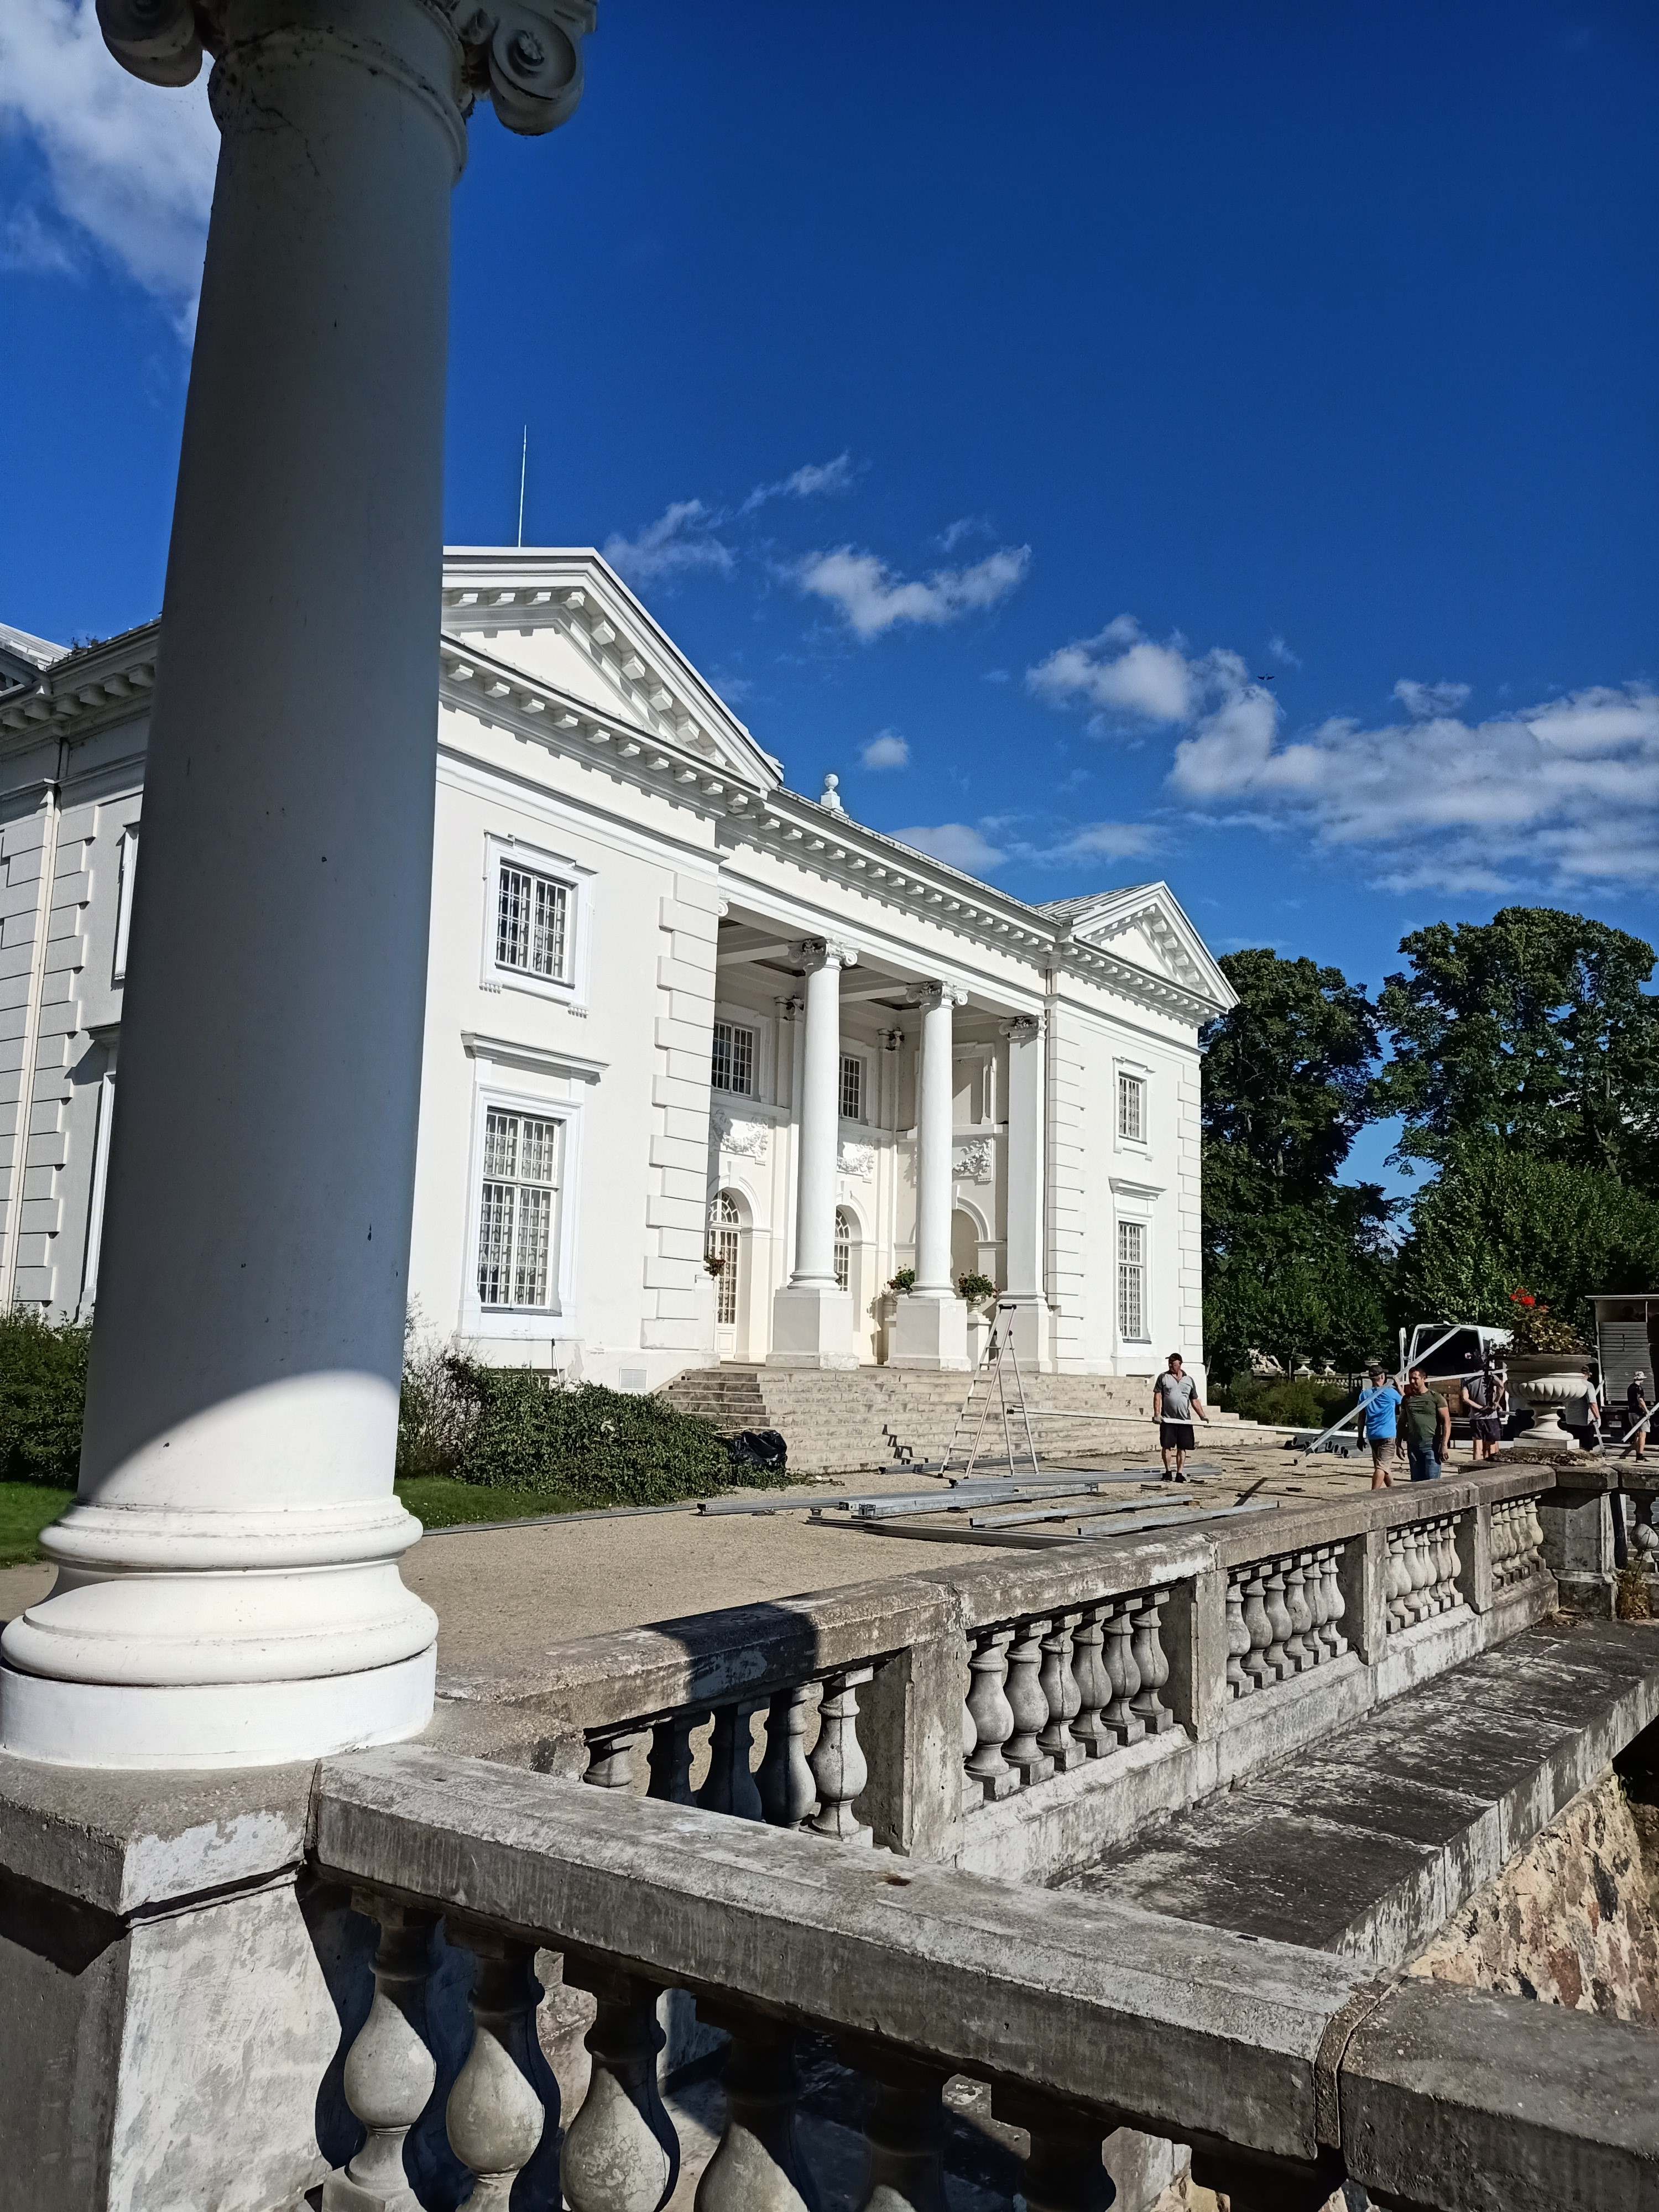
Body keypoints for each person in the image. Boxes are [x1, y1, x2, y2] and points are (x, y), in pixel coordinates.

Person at [1152, 1352, 1208, 1481]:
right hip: (1168, 1419)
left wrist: (1203, 1416)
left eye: (1174, 1363)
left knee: (1182, 1447)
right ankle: (1168, 1472)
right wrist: (1157, 1414)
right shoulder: (1163, 1377)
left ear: (1180, 1364)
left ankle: (1180, 1473)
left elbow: (1194, 1401)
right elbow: (1158, 1396)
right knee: (1167, 1446)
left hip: (1184, 1420)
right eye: (1170, 1363)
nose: (1171, 1365)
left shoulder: (1189, 1380)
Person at [1357, 1363, 1404, 1490]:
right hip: (1388, 1435)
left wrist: (1360, 1437)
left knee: (1383, 1466)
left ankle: (1394, 1491)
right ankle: (1374, 1494)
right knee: (1381, 1467)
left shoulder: (1364, 1395)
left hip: (1373, 1435)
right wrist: (1399, 1386)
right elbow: (1406, 1402)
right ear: (1382, 1377)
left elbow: (1361, 1418)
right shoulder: (1391, 1393)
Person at [1400, 1366, 1451, 1482]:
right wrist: (1398, 1444)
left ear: (1424, 1379)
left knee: (1432, 1484)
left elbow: (1447, 1422)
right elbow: (1402, 1422)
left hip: (1431, 1446)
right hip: (1414, 1446)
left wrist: (1444, 1445)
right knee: (1416, 1484)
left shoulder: (1436, 1397)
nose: (1412, 1382)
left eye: (1415, 1378)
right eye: (1410, 1379)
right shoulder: (1407, 1400)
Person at [1462, 1361, 1504, 1464]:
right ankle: (1491, 1469)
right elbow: (1501, 1386)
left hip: (1476, 1418)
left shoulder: (1467, 1379)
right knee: (1492, 1448)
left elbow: (1465, 1399)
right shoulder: (1490, 1377)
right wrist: (1496, 1402)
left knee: (1477, 1448)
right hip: (1491, 1417)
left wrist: (1480, 1408)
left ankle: (1475, 1469)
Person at [1621, 1370, 1651, 1463]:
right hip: (1639, 1414)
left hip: (1631, 1413)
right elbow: (1640, 1400)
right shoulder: (1639, 1388)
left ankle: (1639, 1455)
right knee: (1642, 1435)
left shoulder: (1630, 1387)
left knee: (1637, 1434)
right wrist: (1647, 1411)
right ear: (1640, 1379)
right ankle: (1640, 1457)